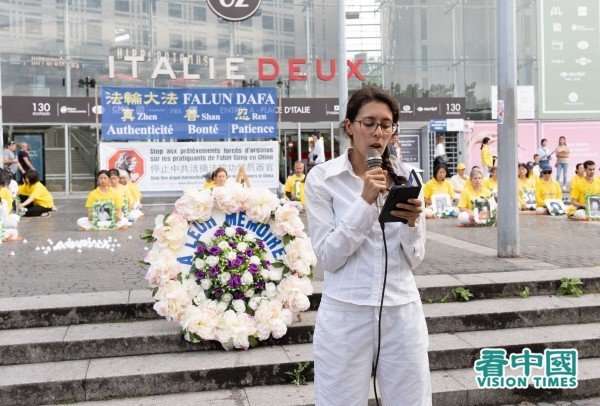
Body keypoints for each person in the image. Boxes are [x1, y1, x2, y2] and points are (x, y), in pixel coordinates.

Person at [305, 87, 431, 405]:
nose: (378, 133)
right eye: (369, 123)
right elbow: (328, 256)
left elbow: (415, 259)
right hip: (346, 312)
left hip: (401, 310)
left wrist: (412, 224)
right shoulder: (323, 179)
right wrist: (364, 202)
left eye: (386, 124)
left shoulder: (407, 177)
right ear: (349, 126)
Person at [0, 169, 20, 239]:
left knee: (15, 219)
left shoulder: (5, 192)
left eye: (2, 186)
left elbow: (8, 209)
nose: (1, 187)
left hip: (3, 218)